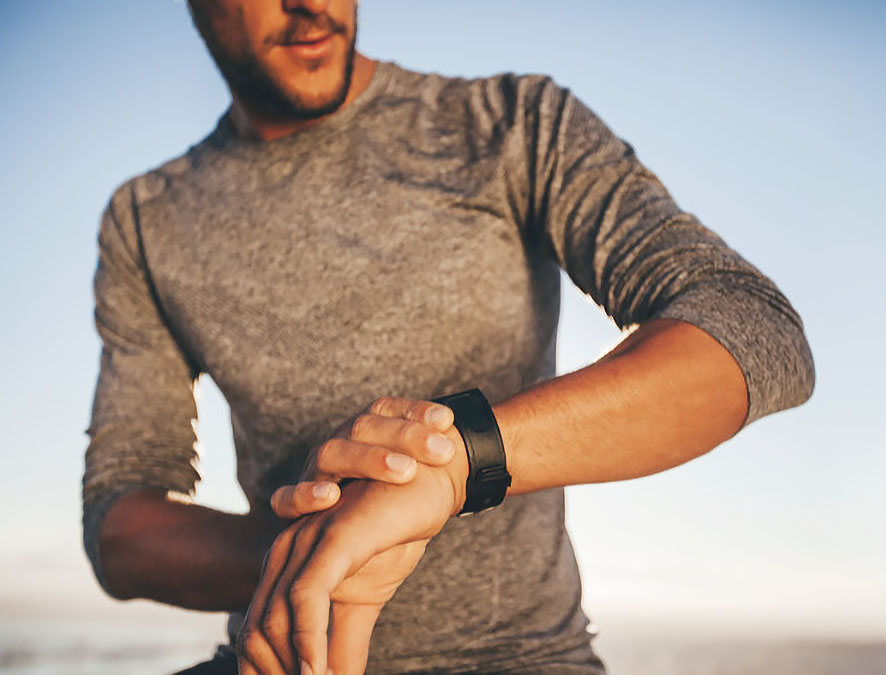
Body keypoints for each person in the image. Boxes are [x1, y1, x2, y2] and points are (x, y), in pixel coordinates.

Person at [80, 0, 816, 673]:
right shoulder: (147, 219)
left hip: (519, 658)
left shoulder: (513, 124)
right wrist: (318, 548)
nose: (310, 5)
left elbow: (754, 329)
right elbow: (120, 524)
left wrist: (455, 461)